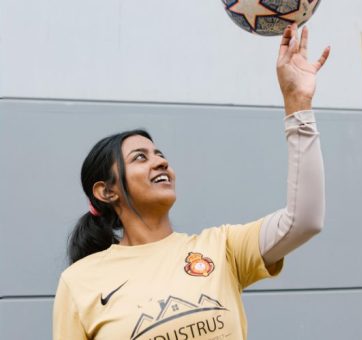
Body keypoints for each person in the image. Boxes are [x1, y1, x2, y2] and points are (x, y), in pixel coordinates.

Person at [53, 23, 330, 340]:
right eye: (140, 157)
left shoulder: (221, 247)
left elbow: (305, 220)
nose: (161, 161)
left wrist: (297, 103)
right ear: (107, 191)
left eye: (159, 154)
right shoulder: (79, 282)